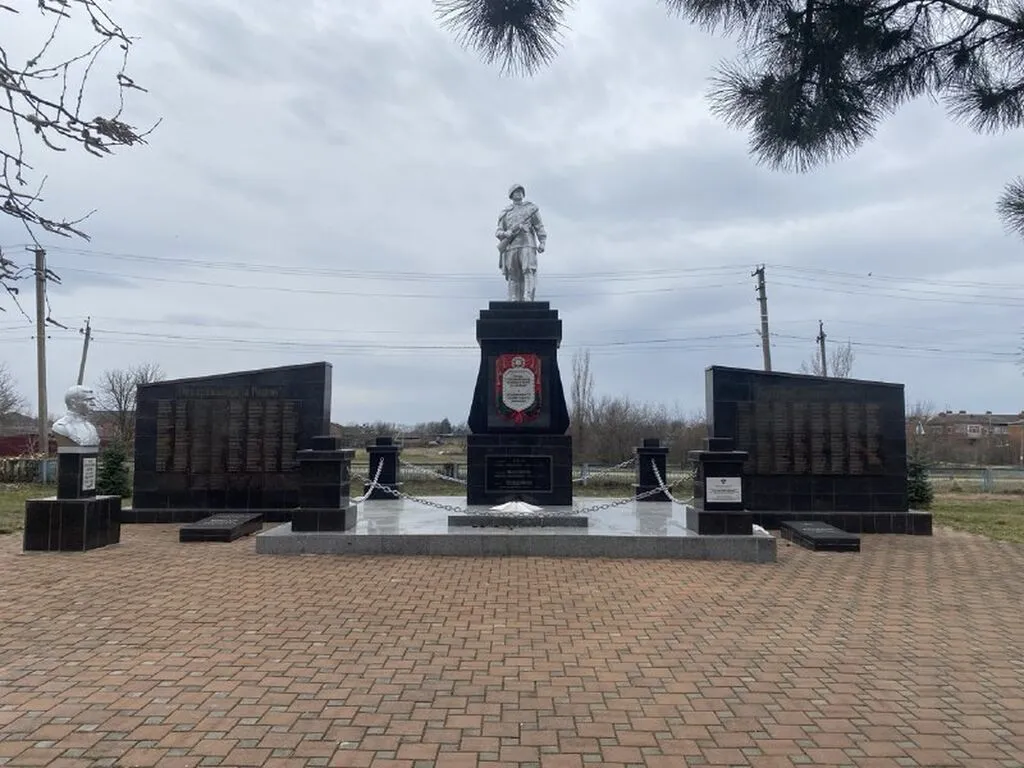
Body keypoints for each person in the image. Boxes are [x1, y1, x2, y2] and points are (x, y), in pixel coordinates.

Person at [496, 183, 546, 301]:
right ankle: (513, 297)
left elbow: (539, 226)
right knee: (513, 273)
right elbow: (498, 232)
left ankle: (527, 296)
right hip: (511, 245)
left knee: (528, 269)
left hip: (527, 243)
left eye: (520, 191)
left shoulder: (531, 209)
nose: (518, 193)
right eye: (516, 191)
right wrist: (506, 233)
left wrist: (542, 241)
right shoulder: (506, 212)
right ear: (511, 195)